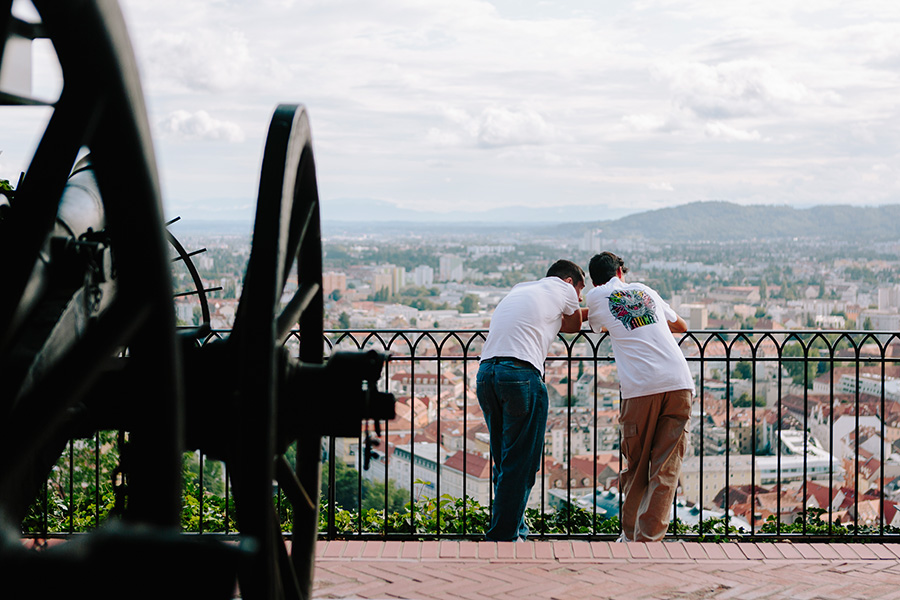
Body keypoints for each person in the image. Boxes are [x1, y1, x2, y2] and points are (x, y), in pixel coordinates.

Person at [584, 251, 694, 542]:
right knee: (666, 466)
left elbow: (590, 323)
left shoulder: (596, 297)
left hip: (642, 387)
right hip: (679, 382)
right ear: (621, 272)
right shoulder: (645, 291)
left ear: (594, 281)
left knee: (637, 463)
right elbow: (681, 325)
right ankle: (649, 537)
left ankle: (631, 536)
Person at [476, 259, 586, 541]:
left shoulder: (522, 287)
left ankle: (515, 529)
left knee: (504, 459)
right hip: (521, 373)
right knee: (522, 463)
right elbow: (573, 325)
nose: (580, 297)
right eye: (581, 289)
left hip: (487, 372)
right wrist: (593, 312)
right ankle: (503, 537)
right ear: (570, 281)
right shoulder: (563, 289)